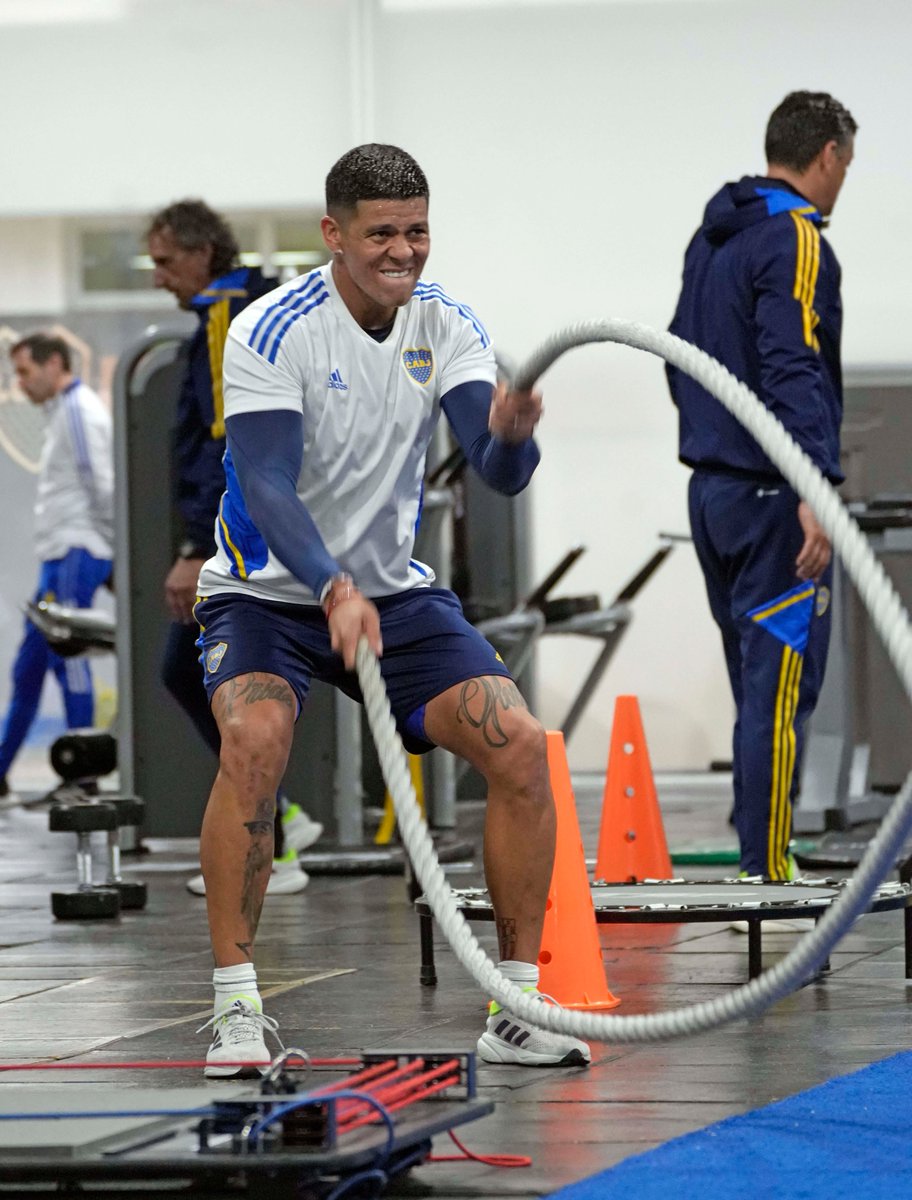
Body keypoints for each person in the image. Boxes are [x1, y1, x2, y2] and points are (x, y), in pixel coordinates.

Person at [192, 143, 591, 1076]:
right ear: (334, 234)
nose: (403, 251)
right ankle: (236, 1012)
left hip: (393, 594)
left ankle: (518, 1004)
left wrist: (511, 435)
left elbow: (495, 474)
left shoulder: (446, 324)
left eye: (416, 231)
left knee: (522, 746)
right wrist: (329, 586)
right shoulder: (271, 328)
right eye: (381, 234)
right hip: (267, 594)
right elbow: (267, 480)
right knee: (255, 740)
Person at [667, 91, 857, 895]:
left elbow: (677, 359)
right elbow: (793, 371)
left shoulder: (713, 238)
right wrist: (812, 485)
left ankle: (763, 851)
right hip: (776, 501)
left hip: (713, 498)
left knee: (757, 687)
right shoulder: (795, 239)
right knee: (780, 691)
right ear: (829, 157)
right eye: (847, 164)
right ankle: (766, 868)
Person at [146, 200, 323, 895]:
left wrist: (199, 546)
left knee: (198, 673)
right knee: (195, 675)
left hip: (244, 546)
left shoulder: (229, 318)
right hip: (259, 541)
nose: (159, 277)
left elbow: (233, 444)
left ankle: (273, 836)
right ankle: (282, 819)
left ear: (200, 253)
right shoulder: (231, 313)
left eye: (165, 261)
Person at [0, 334, 113, 799]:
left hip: (77, 549)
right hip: (60, 555)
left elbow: (101, 483)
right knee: (28, 668)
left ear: (54, 365)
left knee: (70, 658)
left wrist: (111, 547)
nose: (20, 385)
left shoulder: (78, 411)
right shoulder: (62, 413)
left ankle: (82, 775)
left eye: (26, 372)